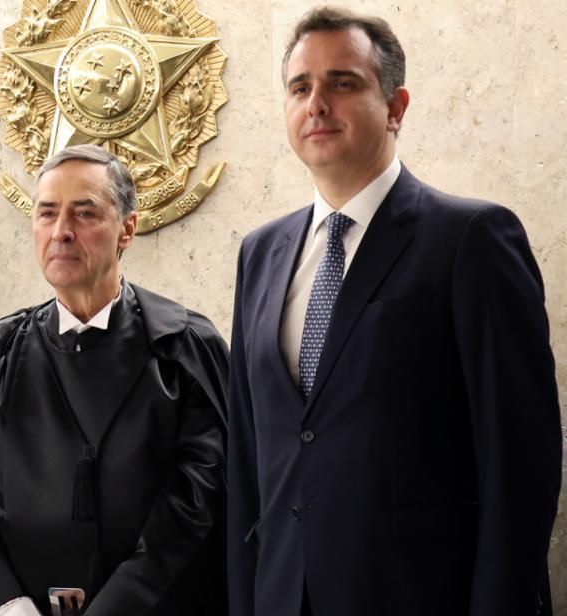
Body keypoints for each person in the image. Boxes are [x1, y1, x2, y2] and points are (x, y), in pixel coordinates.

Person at [227, 8, 563, 616]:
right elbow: (248, 461)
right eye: (300, 88)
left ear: (395, 107)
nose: (316, 104)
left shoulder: (471, 239)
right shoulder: (260, 253)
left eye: (342, 83)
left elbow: (521, 463)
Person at [0, 144, 229, 616]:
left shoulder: (183, 347)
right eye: (46, 213)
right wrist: (5, 603)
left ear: (127, 229)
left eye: (84, 213)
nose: (61, 232)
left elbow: (198, 498)